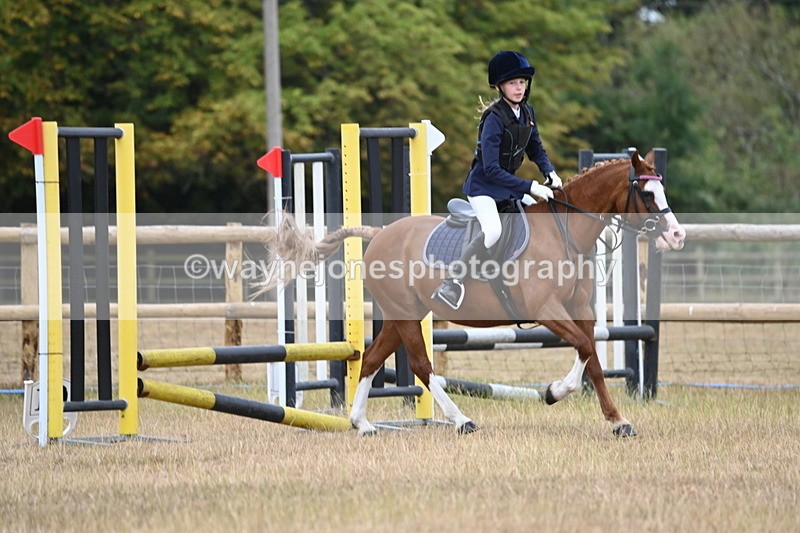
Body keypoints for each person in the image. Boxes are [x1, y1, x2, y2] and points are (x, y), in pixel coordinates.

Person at [433, 50, 563, 310]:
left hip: (507, 187)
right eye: (513, 83)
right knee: (493, 230)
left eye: (522, 83)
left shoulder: (527, 113)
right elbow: (491, 169)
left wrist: (549, 173)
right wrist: (530, 186)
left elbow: (536, 148)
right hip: (483, 187)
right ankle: (453, 280)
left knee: (539, 217)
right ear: (500, 86)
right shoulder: (493, 119)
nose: (519, 88)